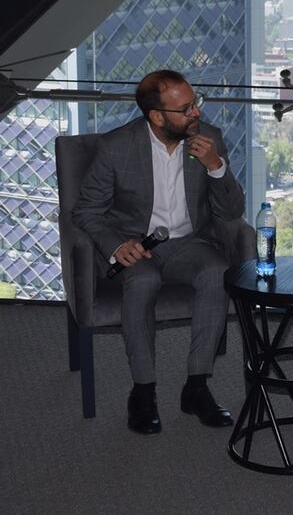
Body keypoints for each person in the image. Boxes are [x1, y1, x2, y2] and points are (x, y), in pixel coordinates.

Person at [73, 70, 246, 435]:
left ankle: (196, 387)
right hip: (137, 246)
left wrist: (216, 166)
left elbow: (231, 212)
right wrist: (116, 245)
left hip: (189, 244)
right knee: (143, 283)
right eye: (185, 109)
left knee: (217, 272)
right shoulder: (116, 147)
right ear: (157, 116)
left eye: (195, 103)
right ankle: (143, 391)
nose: (196, 113)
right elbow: (86, 211)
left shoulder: (209, 139)